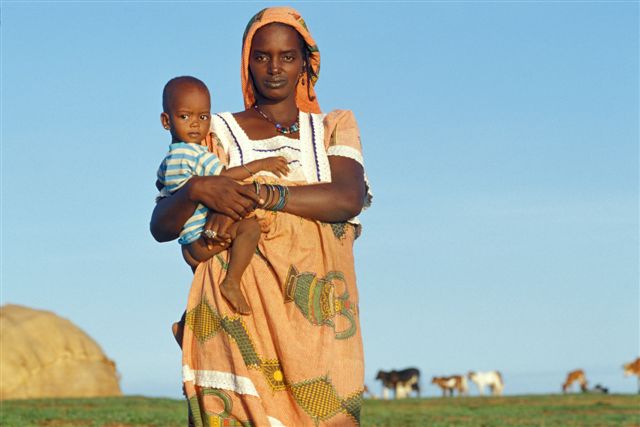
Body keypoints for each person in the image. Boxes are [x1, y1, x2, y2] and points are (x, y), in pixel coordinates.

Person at [150, 7, 371, 426]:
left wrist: (259, 195)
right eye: (261, 56)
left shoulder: (332, 128)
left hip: (320, 319)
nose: (274, 68)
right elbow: (164, 224)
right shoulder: (214, 130)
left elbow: (346, 197)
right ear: (246, 62)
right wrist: (196, 189)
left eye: (287, 56)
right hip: (241, 309)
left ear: (307, 62)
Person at [158, 76, 290, 315]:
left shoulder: (168, 161)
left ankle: (186, 323)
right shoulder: (197, 155)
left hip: (188, 243)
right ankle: (232, 281)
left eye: (203, 117)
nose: (195, 124)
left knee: (204, 289)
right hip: (202, 238)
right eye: (185, 117)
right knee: (250, 227)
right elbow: (226, 176)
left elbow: (164, 192)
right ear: (166, 121)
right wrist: (261, 164)